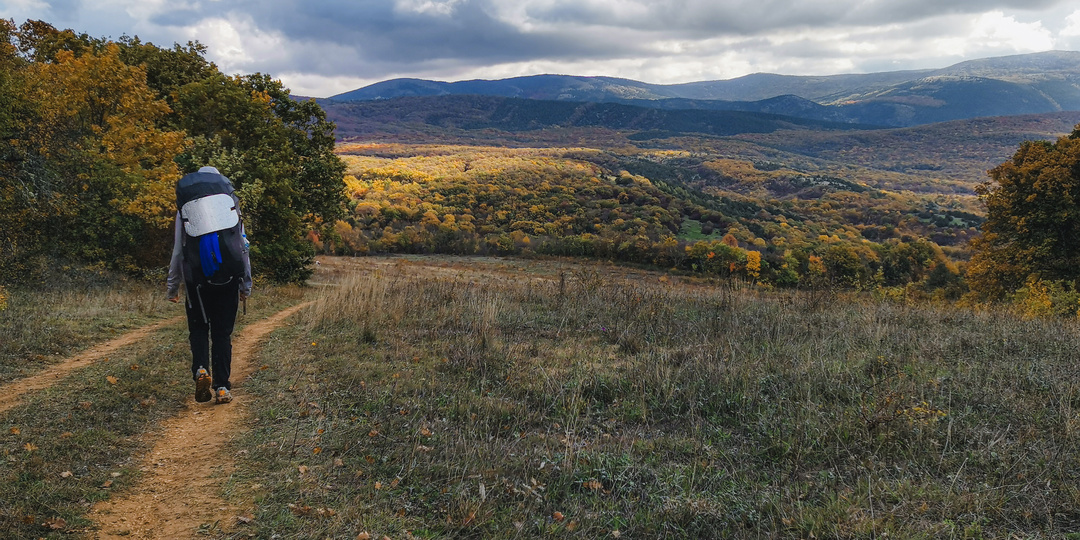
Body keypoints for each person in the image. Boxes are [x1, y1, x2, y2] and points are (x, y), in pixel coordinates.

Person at [167, 166, 252, 404]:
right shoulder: (230, 206)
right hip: (227, 279)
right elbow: (243, 249)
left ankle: (201, 370)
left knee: (199, 329)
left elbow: (177, 253)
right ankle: (222, 387)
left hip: (197, 282)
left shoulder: (185, 211)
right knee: (222, 334)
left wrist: (172, 287)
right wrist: (246, 285)